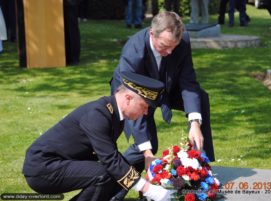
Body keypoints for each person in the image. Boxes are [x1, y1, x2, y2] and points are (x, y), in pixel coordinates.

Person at [110, 11, 215, 200]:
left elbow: (188, 81)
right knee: (148, 144)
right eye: (164, 47)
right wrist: (147, 152)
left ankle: (200, 165)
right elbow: (134, 99)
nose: (169, 53)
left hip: (165, 86)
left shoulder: (182, 41)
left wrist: (195, 123)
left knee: (200, 98)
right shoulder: (134, 51)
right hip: (131, 93)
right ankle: (111, 189)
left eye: (173, 47)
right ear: (152, 33)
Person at [22, 72, 174, 201]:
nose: (146, 112)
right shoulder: (99, 114)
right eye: (144, 106)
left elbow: (113, 158)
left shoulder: (113, 113)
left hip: (59, 162)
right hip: (43, 169)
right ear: (128, 98)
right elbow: (110, 160)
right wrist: (150, 190)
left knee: (119, 171)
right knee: (105, 174)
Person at [63, 0, 81, 65]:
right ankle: (66, 56)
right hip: (61, 4)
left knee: (72, 30)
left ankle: (73, 57)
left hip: (70, 3)